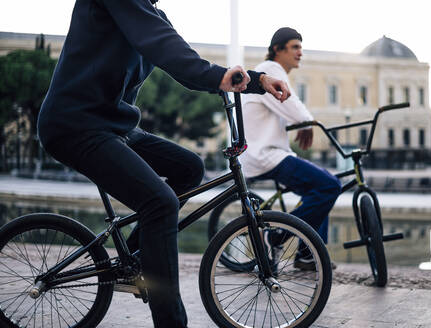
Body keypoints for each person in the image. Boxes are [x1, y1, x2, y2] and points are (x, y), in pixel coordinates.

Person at [37, 1, 290, 327]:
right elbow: (166, 49)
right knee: (160, 203)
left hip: (116, 127)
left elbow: (180, 58)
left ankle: (134, 259)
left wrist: (254, 80)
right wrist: (221, 78)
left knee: (190, 168)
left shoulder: (151, 14)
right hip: (75, 124)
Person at [241, 27, 342, 270]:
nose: (300, 53)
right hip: (264, 155)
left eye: (301, 48)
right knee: (329, 185)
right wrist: (306, 122)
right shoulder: (270, 70)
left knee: (319, 188)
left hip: (263, 154)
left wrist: (303, 122)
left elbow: (289, 108)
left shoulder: (268, 71)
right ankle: (276, 236)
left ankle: (307, 255)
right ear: (278, 49)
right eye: (295, 47)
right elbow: (292, 104)